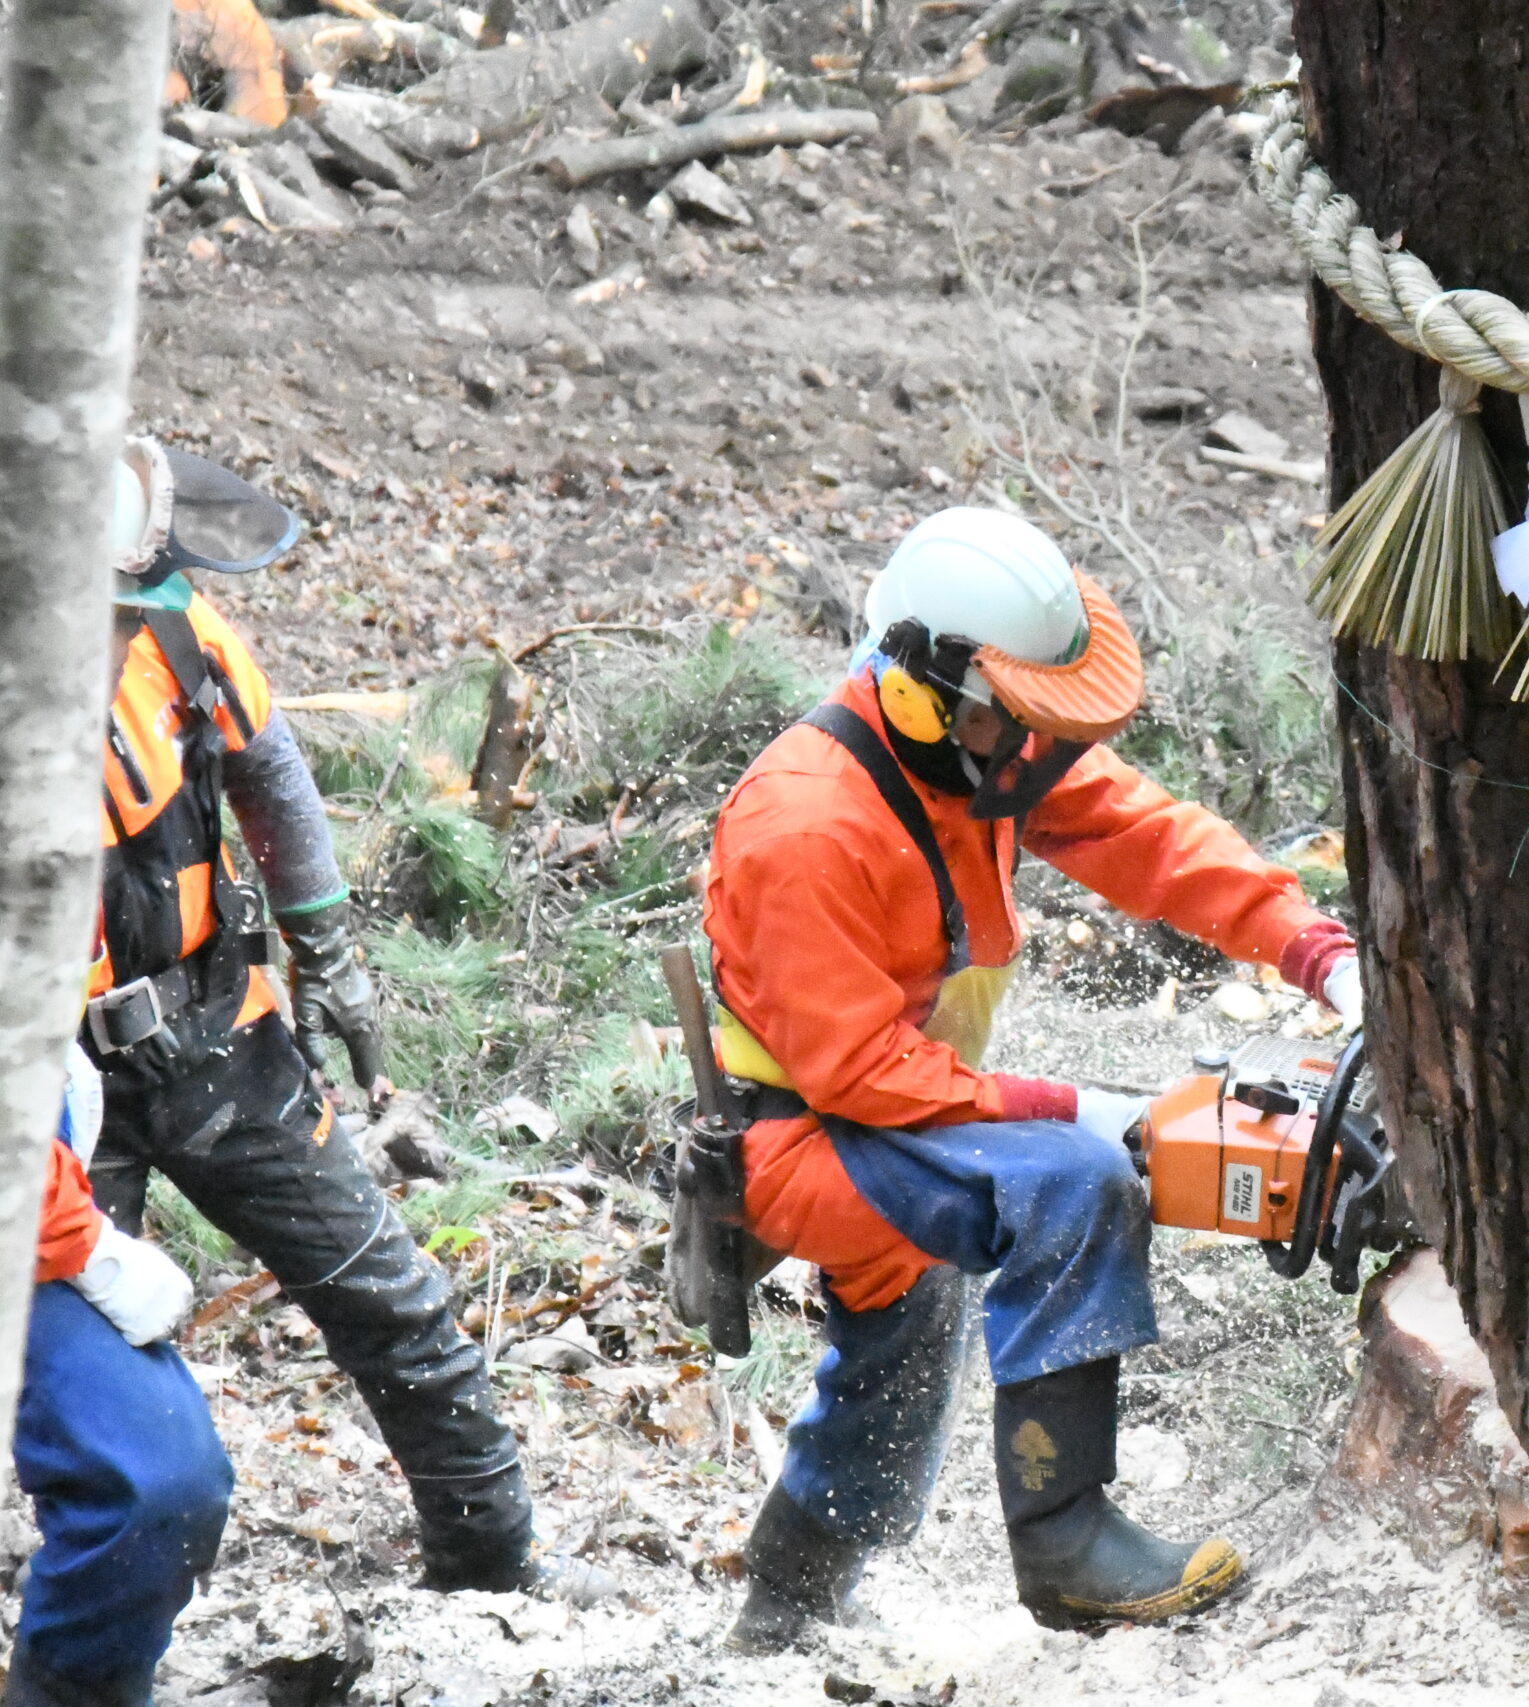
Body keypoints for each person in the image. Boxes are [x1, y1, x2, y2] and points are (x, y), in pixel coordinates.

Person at [705, 508, 1364, 1649]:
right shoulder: (806, 827)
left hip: (886, 1110)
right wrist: (1080, 1111)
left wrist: (1314, 950)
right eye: (1022, 721)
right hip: (803, 1135)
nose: (1045, 751)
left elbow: (1148, 836)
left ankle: (785, 1601)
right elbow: (861, 1071)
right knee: (1070, 1180)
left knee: (899, 1343)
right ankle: (1065, 1542)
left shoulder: (979, 751)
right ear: (929, 684)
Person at [78, 438, 603, 1603]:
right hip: (50, 1085)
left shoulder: (175, 635)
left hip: (217, 1024)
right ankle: (99, 1612)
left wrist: (328, 952)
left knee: (385, 1293)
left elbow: (270, 771)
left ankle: (493, 1565)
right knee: (79, 1366)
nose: (122, 631)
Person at [7, 1046, 232, 1707]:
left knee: (158, 1481)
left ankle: (76, 1687)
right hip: (37, 1216)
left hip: (26, 1228)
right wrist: (86, 1249)